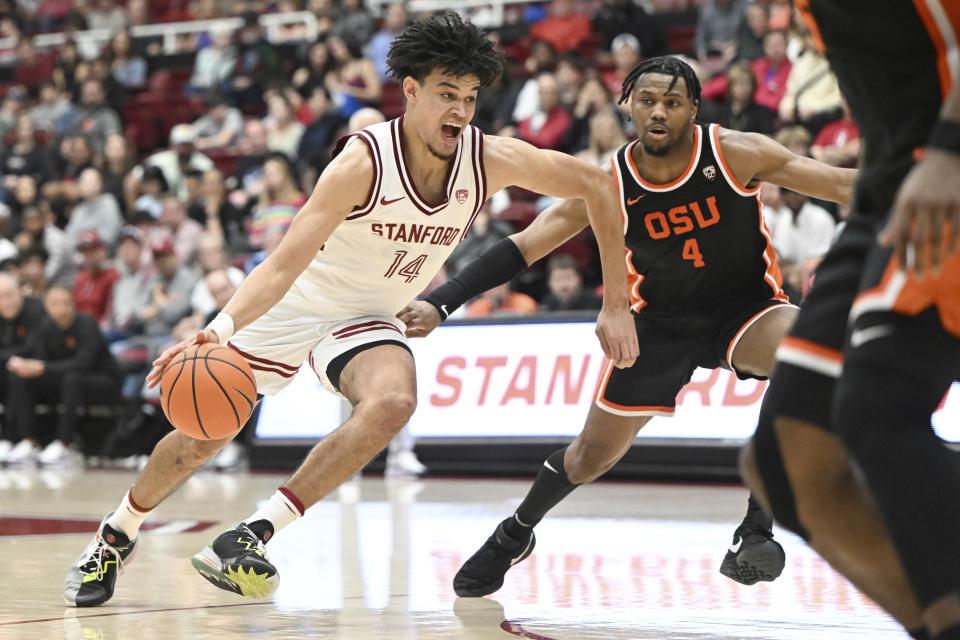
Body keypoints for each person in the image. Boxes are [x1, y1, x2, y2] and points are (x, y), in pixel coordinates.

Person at [63, 12, 639, 608]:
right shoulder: (362, 163)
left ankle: (248, 536)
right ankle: (116, 533)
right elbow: (282, 264)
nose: (461, 110)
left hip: (364, 318)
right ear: (410, 91)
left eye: (470, 97)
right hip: (295, 304)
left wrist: (616, 302)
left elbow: (598, 186)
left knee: (394, 400)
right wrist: (217, 329)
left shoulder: (488, 159)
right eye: (447, 94)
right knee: (200, 439)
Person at [397, 55, 856, 597]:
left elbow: (841, 184)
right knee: (589, 457)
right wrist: (443, 302)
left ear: (693, 110)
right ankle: (515, 532)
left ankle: (757, 525)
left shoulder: (734, 152)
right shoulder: (607, 182)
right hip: (657, 326)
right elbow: (525, 245)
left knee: (809, 352)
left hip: (747, 310)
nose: (658, 111)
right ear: (628, 105)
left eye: (672, 102)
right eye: (647, 100)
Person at [739, 2, 960, 639]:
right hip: (888, 184)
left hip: (945, 160)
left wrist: (949, 151)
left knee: (878, 410)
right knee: (785, 460)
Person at [5, 286, 120, 467]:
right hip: (67, 382)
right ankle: (28, 440)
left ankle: (63, 443)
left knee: (72, 379)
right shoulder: (46, 326)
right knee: (22, 378)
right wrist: (28, 367)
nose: (61, 309)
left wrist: (42, 367)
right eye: (55, 304)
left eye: (66, 303)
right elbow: (40, 361)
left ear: (73, 304)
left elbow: (83, 364)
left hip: (103, 382)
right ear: (46, 307)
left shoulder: (87, 323)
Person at [0, 274, 48, 463]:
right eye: (0, 297)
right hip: (9, 369)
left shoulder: (36, 310)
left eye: (9, 295)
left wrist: (9, 357)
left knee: (18, 376)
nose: (6, 302)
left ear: (19, 292)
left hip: (42, 370)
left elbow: (32, 348)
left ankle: (23, 439)